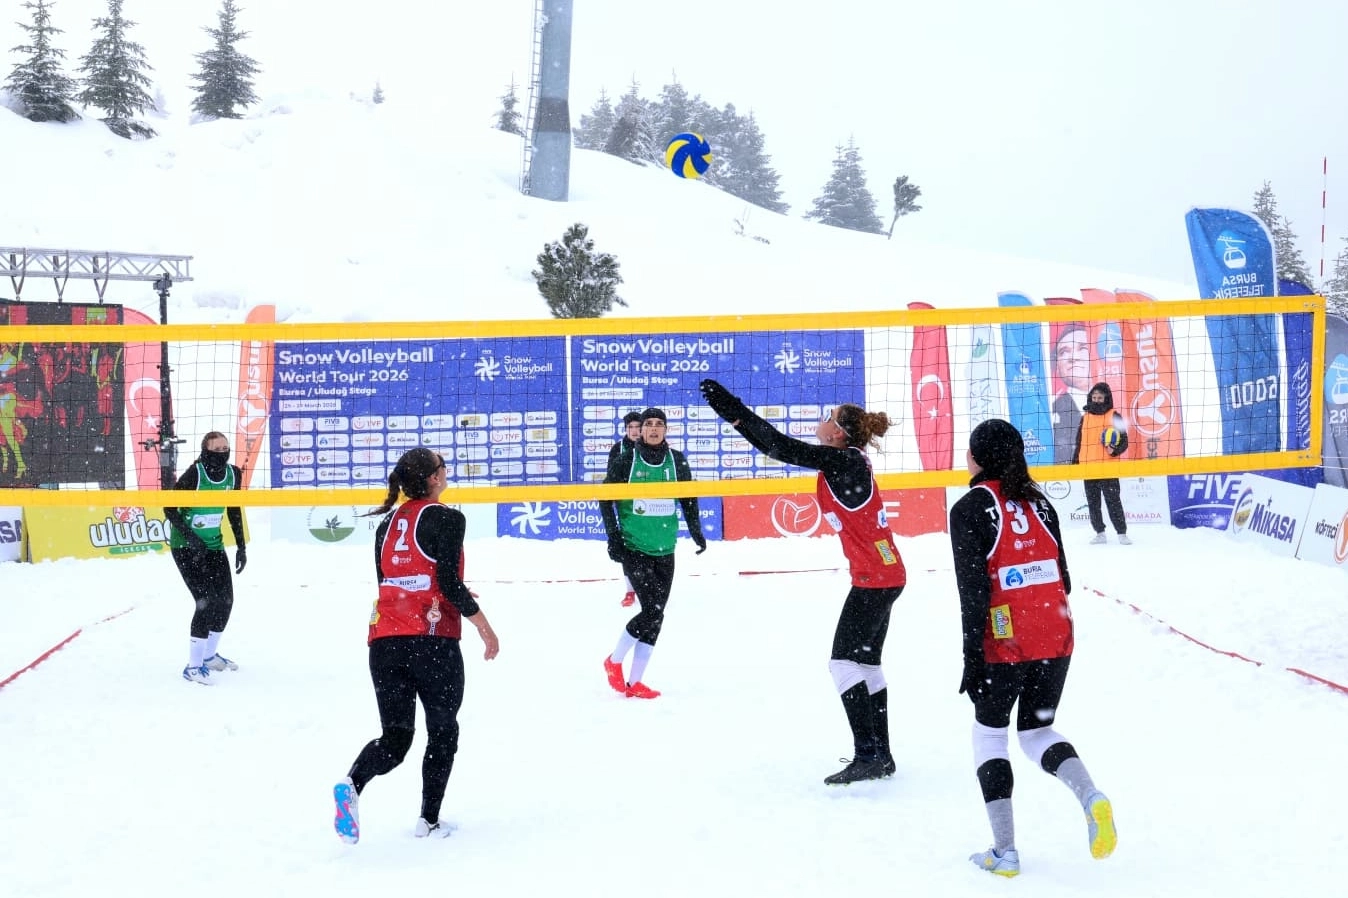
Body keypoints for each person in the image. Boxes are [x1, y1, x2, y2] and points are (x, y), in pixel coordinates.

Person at [699, 379, 905, 785]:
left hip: (876, 578)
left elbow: (780, 447)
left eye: (830, 416)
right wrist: (736, 417)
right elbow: (779, 448)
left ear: (838, 433)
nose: (823, 418)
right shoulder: (845, 461)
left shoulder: (844, 462)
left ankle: (868, 755)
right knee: (866, 663)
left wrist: (735, 409)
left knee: (842, 662)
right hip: (885, 573)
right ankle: (881, 755)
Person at [950, 418, 1116, 877]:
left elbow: (973, 594)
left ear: (975, 458)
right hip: (1055, 632)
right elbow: (1064, 577)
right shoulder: (1041, 503)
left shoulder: (969, 508)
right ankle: (1091, 797)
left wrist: (971, 655)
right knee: (1037, 731)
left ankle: (1005, 852)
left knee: (989, 734)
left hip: (1006, 637)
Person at [333, 447, 499, 845]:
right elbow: (448, 583)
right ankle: (428, 820)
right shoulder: (448, 517)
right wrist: (484, 627)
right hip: (432, 640)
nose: (447, 471)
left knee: (395, 739)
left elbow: (391, 581)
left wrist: (443, 594)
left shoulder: (387, 523)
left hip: (385, 641)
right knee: (442, 731)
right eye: (443, 467)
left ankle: (352, 784)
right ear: (433, 479)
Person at [600, 407, 707, 699]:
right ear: (642, 429)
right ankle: (614, 661)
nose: (654, 428)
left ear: (666, 429)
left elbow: (688, 498)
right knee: (651, 611)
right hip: (635, 547)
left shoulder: (677, 460)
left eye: (660, 423)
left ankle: (635, 682)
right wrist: (613, 537)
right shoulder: (626, 460)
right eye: (649, 424)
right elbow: (604, 498)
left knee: (656, 617)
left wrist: (696, 531)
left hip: (665, 547)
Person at [164, 431, 247, 684]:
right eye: (216, 449)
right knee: (206, 601)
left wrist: (241, 546)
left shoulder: (233, 474)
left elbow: (233, 510)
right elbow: (169, 508)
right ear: (205, 451)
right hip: (186, 547)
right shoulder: (195, 474)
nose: (222, 453)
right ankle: (193, 667)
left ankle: (209, 656)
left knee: (226, 601)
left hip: (213, 546)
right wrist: (191, 538)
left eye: (225, 448)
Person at [1071, 381, 1131, 545]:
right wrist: (1075, 463)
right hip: (1088, 468)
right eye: (1094, 397)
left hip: (1107, 468)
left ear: (1106, 398)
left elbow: (1124, 440)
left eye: (1100, 397)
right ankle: (1100, 533)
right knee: (1093, 503)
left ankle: (1121, 533)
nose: (1096, 400)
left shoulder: (1114, 415)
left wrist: (1115, 450)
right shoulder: (1085, 417)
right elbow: (1079, 442)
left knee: (1113, 501)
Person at [608, 411, 644, 607]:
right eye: (631, 427)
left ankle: (650, 587)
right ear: (626, 429)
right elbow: (610, 479)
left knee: (649, 547)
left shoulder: (652, 447)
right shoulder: (618, 449)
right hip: (627, 507)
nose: (635, 431)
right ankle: (630, 590)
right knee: (628, 549)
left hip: (649, 505)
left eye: (638, 427)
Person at [1050, 324, 1092, 465]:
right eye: (1064, 352)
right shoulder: (1049, 412)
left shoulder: (1121, 404)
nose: (1073, 357)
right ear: (1057, 367)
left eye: (1083, 348)